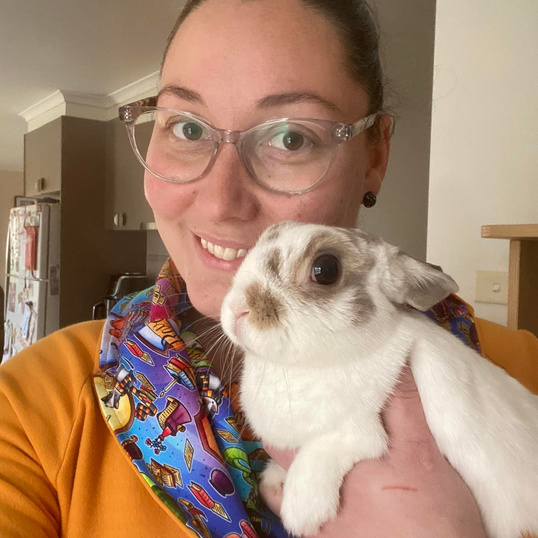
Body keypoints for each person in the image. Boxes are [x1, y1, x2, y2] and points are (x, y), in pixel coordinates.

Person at [0, 1, 537, 537]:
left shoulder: (522, 370)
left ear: (375, 155)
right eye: (187, 127)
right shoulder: (31, 411)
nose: (221, 202)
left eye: (291, 137)